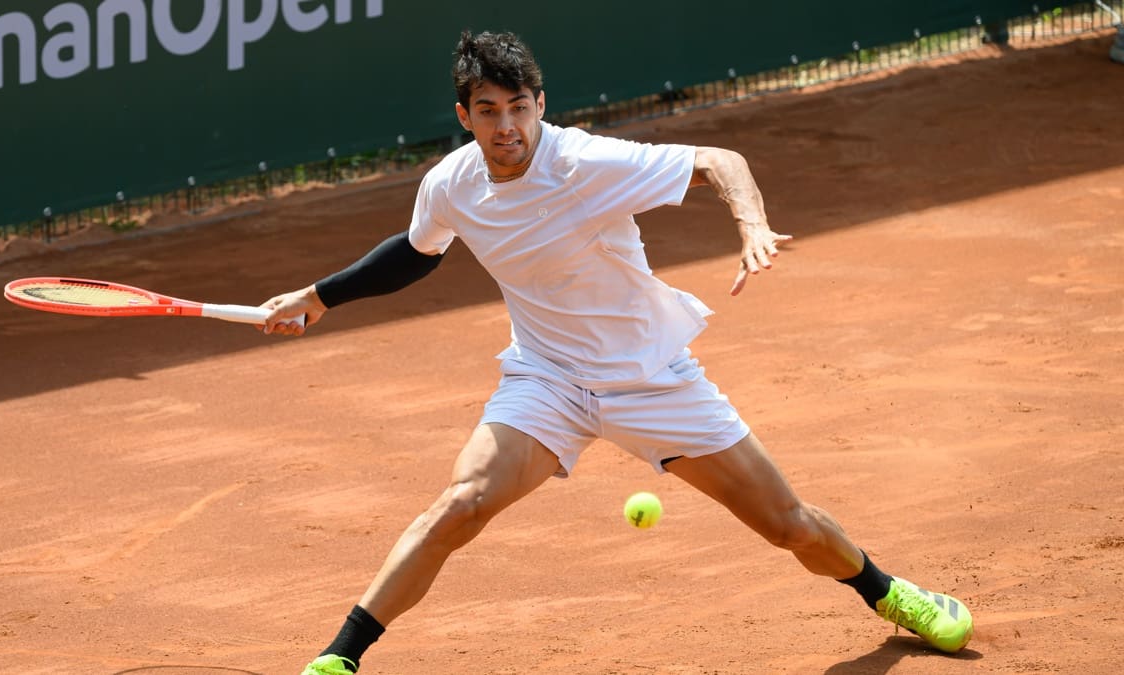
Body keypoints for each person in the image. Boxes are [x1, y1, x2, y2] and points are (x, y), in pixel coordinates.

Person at [259, 30, 974, 675]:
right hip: (547, 379)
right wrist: (319, 295)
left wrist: (751, 223)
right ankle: (337, 658)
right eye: (487, 111)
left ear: (540, 104)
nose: (506, 126)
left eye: (517, 107)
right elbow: (416, 254)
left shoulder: (587, 161)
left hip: (650, 378)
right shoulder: (451, 183)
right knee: (462, 503)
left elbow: (718, 160)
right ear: (463, 116)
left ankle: (891, 594)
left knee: (788, 525)